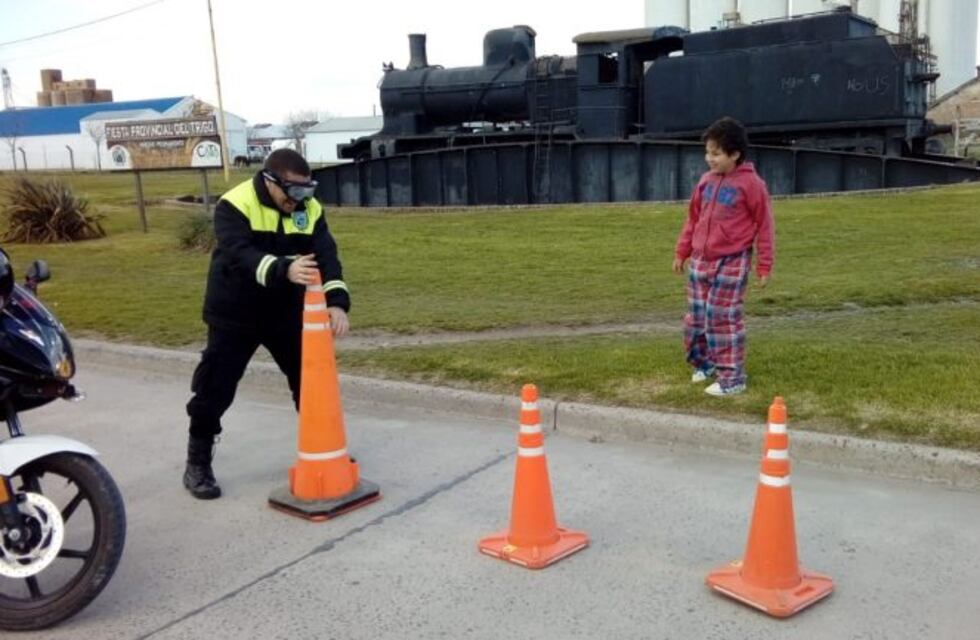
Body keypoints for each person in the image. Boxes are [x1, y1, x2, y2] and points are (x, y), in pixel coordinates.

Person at [183, 149, 350, 499]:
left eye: (307, 191)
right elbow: (239, 254)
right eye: (294, 191)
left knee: (311, 384)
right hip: (234, 312)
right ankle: (197, 461)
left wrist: (336, 303)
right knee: (215, 388)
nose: (300, 200)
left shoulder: (309, 208)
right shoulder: (235, 204)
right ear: (271, 182)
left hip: (286, 314)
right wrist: (283, 269)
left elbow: (326, 256)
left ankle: (324, 450)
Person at [672, 117, 774, 396]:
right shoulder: (705, 181)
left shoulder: (752, 185)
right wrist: (682, 251)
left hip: (732, 259)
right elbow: (693, 219)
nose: (709, 159)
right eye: (707, 152)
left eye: (716, 153)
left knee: (721, 316)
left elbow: (765, 225)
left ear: (735, 154)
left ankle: (732, 378)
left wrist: (764, 264)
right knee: (696, 317)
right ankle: (704, 363)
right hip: (701, 259)